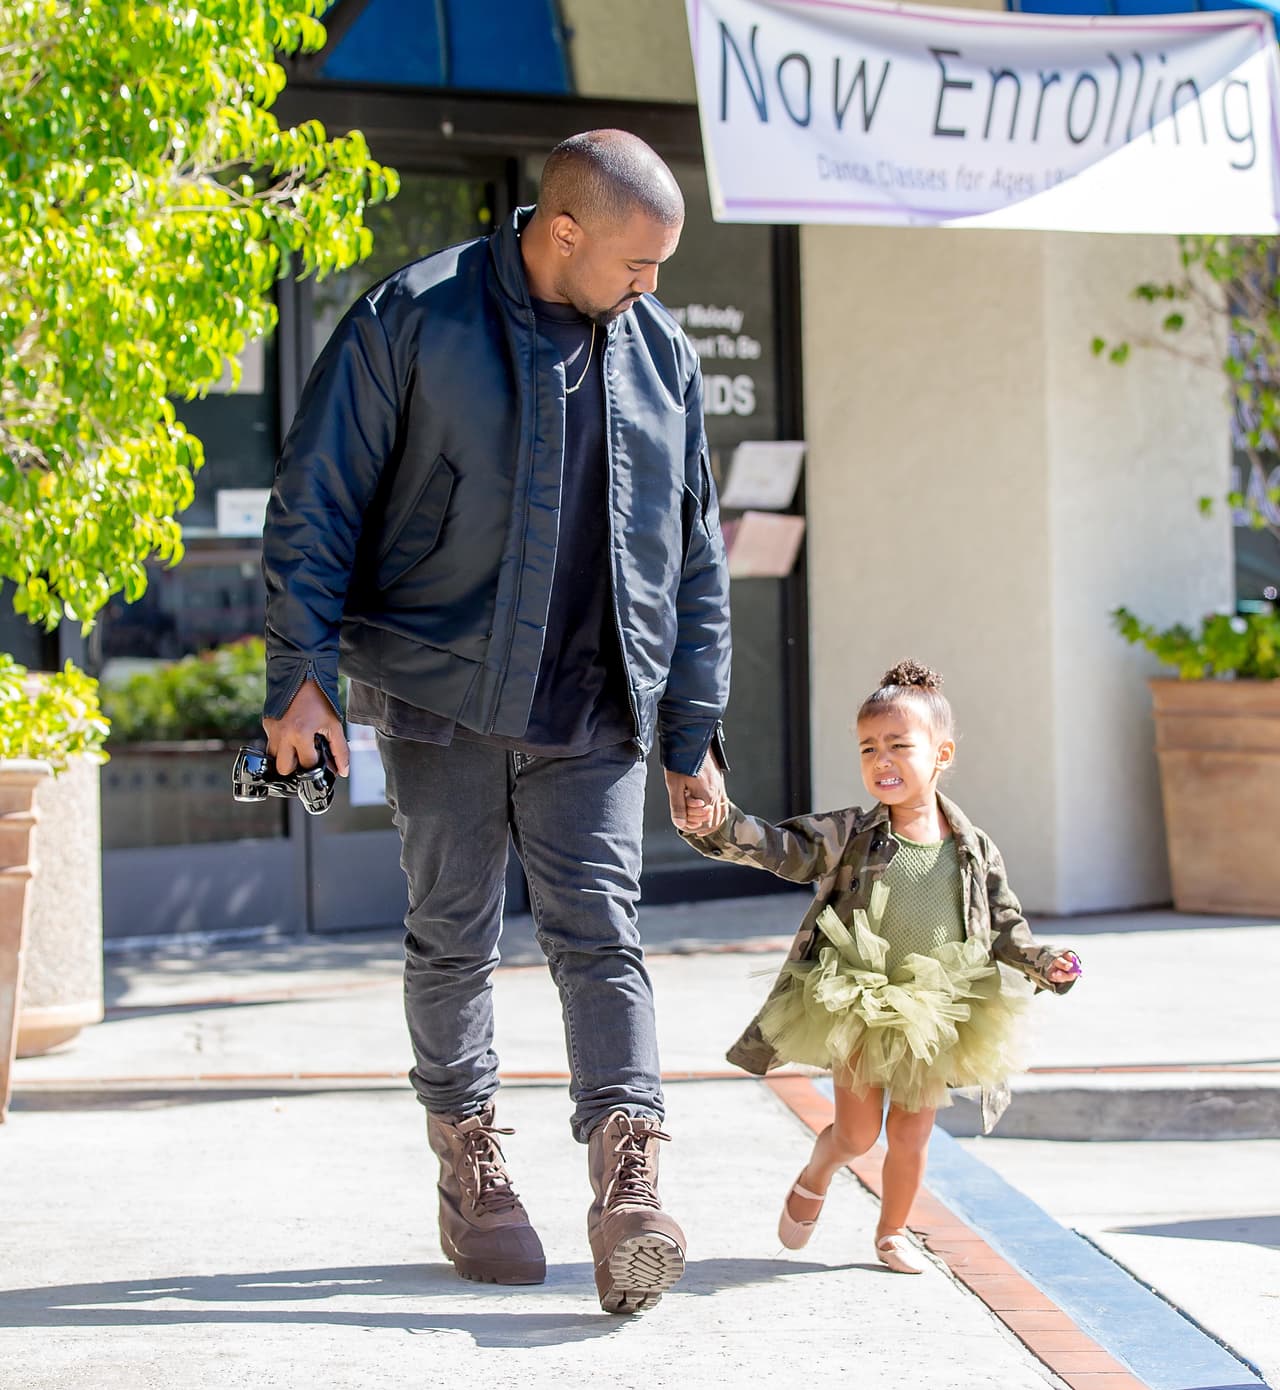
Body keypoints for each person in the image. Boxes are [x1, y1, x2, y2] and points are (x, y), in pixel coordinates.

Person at [259, 130, 730, 1313]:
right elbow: (316, 496)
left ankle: (628, 1179)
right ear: (561, 230)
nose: (650, 285)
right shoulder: (411, 316)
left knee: (600, 935)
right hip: (440, 688)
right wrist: (298, 675)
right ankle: (467, 1156)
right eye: (636, 261)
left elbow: (694, 555)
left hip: (598, 699)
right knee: (453, 934)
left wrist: (692, 725)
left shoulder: (659, 353)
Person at [681, 660, 1080, 1273]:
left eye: (899, 745)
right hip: (861, 999)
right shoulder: (851, 834)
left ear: (941, 753)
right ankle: (820, 1169)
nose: (881, 760)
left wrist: (1044, 962)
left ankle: (892, 1232)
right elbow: (780, 847)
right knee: (859, 1134)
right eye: (869, 748)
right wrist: (717, 824)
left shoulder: (972, 848)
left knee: (914, 1134)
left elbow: (1004, 925)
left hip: (939, 1008)